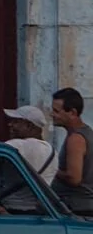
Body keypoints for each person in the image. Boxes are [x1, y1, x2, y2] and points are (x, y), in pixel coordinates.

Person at [51, 88, 93, 216]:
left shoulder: (76, 139)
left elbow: (74, 178)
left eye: (56, 111)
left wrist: (52, 170)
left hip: (76, 208)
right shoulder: (86, 133)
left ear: (72, 113)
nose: (52, 114)